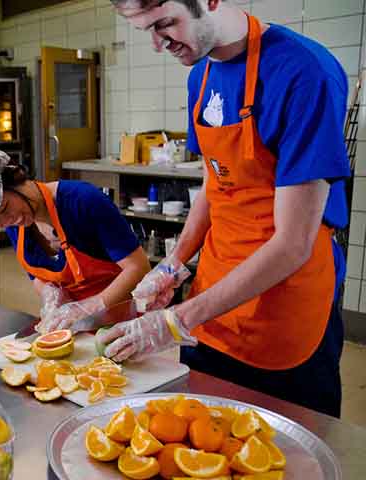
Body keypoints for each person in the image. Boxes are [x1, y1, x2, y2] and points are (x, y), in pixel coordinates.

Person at [99, 0, 351, 417]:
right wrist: (174, 263)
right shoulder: (200, 76)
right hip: (214, 300)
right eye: (147, 31)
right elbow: (215, 183)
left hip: (285, 306)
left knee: (283, 451)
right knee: (202, 433)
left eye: (165, 24)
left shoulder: (304, 73)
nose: (160, 45)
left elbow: (292, 244)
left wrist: (176, 322)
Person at [0, 147, 151, 332]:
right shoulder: (14, 224)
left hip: (122, 323)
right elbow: (37, 276)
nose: (7, 220)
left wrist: (93, 305)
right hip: (72, 328)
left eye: (4, 208)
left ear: (16, 178)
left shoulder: (82, 201)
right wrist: (50, 295)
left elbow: (138, 267)